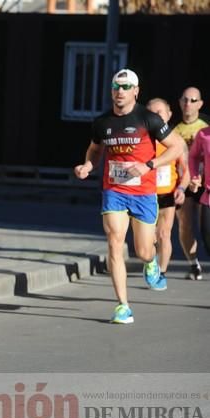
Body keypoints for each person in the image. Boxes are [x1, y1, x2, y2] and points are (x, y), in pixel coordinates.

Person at [74, 68, 184, 324]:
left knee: (143, 251)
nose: (119, 92)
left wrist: (149, 165)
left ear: (136, 91)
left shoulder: (149, 119)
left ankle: (151, 262)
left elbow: (177, 146)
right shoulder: (102, 122)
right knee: (114, 241)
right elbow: (94, 150)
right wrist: (88, 166)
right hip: (114, 190)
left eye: (125, 87)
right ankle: (123, 306)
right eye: (115, 87)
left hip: (144, 193)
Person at [146, 98, 190, 290]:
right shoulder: (141, 139)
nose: (155, 116)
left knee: (164, 234)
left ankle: (161, 274)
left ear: (169, 114)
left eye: (159, 112)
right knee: (148, 237)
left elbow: (185, 170)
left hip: (166, 193)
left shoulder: (176, 140)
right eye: (151, 113)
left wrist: (181, 188)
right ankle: (150, 262)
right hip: (143, 194)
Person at [173, 87, 209, 280]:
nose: (188, 104)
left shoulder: (205, 128)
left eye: (193, 100)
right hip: (183, 183)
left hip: (205, 183)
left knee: (206, 227)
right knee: (185, 225)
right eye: (185, 100)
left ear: (200, 104)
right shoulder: (173, 130)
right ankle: (193, 264)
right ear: (179, 102)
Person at [189, 126, 210, 257]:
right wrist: (195, 176)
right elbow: (193, 156)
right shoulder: (203, 134)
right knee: (207, 237)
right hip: (208, 196)